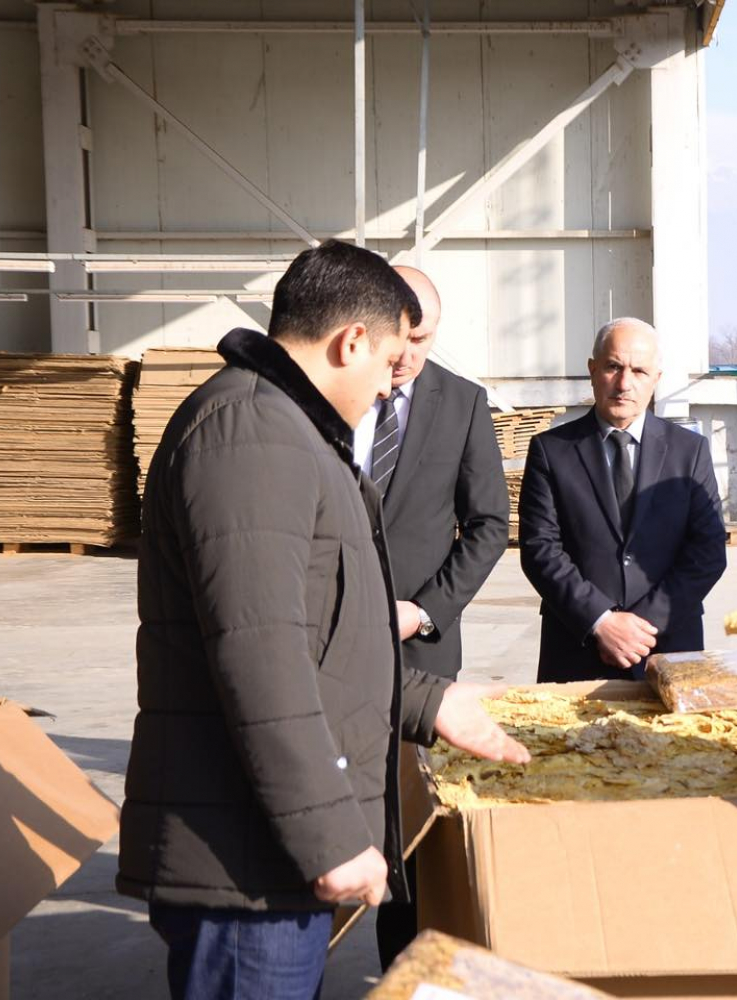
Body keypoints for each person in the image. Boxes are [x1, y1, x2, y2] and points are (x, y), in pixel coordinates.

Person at [120, 240, 528, 1000]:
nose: (390, 385)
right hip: (244, 865)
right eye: (390, 363)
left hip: (266, 848)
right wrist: (333, 839)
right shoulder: (251, 434)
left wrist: (427, 700)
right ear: (352, 341)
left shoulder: (285, 427)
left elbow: (319, 634)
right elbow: (262, 660)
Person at [353, 266, 510, 969]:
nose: (410, 354)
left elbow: (488, 524)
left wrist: (424, 611)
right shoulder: (336, 395)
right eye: (402, 337)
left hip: (420, 648)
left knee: (410, 820)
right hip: (328, 637)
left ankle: (403, 963)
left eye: (425, 338)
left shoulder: (462, 403)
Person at [518, 317, 728, 682]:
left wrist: (641, 626)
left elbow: (708, 551)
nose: (624, 383)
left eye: (639, 371)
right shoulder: (551, 451)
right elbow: (540, 549)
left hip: (668, 647)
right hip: (577, 647)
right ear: (592, 369)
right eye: (613, 367)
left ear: (656, 379)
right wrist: (600, 621)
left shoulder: (689, 451)